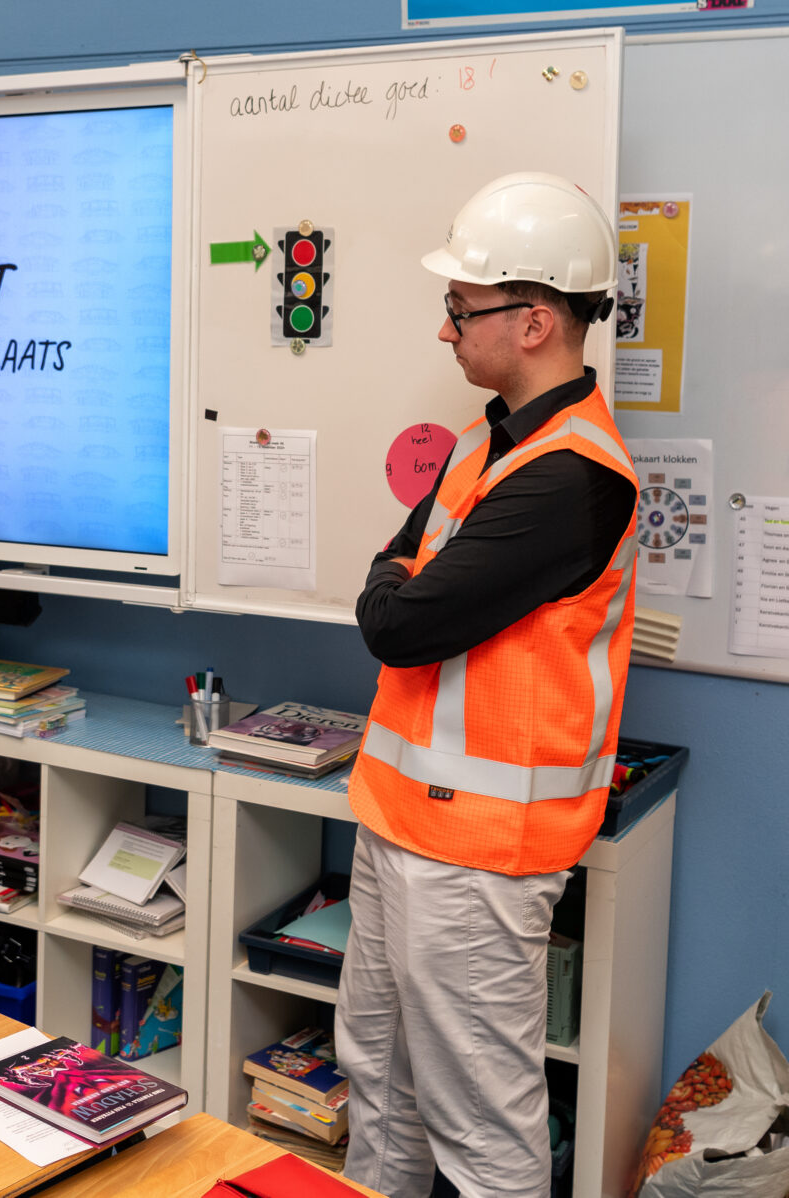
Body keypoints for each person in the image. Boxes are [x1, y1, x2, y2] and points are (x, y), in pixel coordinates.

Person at [340, 172, 639, 1198]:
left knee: (482, 1126)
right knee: (378, 1082)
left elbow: (395, 617)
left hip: (478, 853)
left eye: (460, 311)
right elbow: (397, 581)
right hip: (399, 820)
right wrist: (402, 575)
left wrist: (402, 577)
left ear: (537, 321)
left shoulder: (572, 479)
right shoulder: (486, 442)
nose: (446, 332)